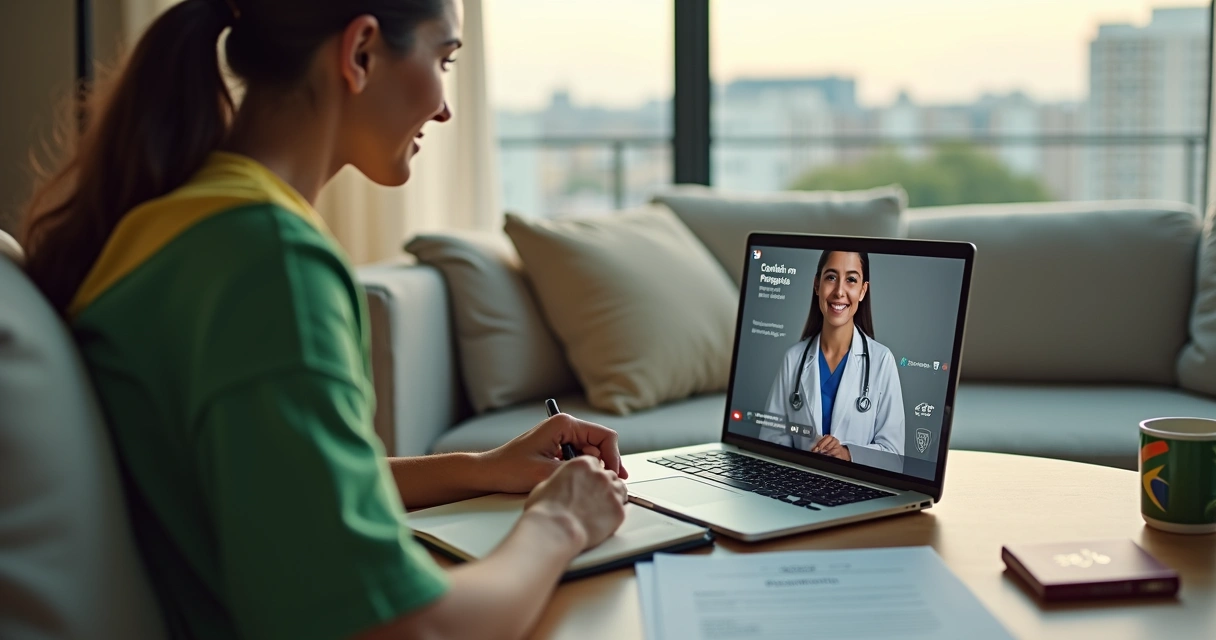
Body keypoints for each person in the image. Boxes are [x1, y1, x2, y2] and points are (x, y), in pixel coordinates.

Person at [19, 1, 630, 639]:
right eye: (442, 58)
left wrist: (482, 469)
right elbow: (410, 630)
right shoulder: (268, 259)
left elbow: (269, 491)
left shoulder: (177, 223)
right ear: (360, 52)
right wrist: (561, 522)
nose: (446, 108)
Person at [761, 251, 905, 460]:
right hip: (801, 482)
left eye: (851, 280)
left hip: (857, 487)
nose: (839, 291)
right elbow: (771, 438)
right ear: (817, 285)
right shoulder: (793, 359)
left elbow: (895, 455)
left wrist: (847, 455)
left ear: (863, 291)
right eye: (831, 277)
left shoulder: (882, 361)